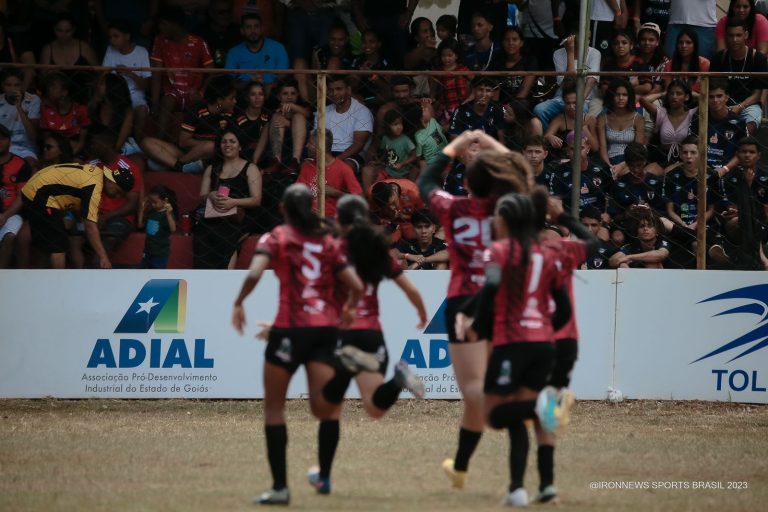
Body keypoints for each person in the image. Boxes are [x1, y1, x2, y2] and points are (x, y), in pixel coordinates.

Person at [231, 183, 363, 505]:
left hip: (289, 330)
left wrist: (239, 302)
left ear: (283, 210)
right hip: (324, 331)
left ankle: (280, 488)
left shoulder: (275, 237)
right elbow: (356, 285)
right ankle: (324, 476)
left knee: (274, 408)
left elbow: (255, 272)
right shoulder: (329, 241)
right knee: (325, 409)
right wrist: (347, 309)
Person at [417, 129, 532, 490]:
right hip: (503, 298)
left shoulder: (453, 208)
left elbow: (426, 180)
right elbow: (522, 170)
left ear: (466, 183)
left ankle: (534, 408)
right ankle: (463, 468)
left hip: (465, 301)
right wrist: (486, 141)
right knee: (480, 398)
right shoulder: (510, 207)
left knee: (473, 389)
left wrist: (457, 145)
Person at [457, 191, 570, 507]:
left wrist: (476, 326)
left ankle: (543, 406)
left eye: (496, 216)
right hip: (543, 345)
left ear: (505, 220)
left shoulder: (497, 251)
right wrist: (544, 328)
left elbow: (490, 289)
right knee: (517, 419)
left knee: (494, 415)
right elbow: (563, 309)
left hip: (512, 344)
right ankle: (518, 489)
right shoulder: (547, 255)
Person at [316, 195, 428, 479]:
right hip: (371, 335)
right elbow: (410, 289)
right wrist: (421, 313)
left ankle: (324, 478)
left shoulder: (333, 250)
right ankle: (398, 379)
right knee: (375, 408)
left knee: (330, 409)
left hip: (342, 334)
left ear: (340, 221)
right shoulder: (378, 250)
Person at [0, 160, 134, 269]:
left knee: (46, 243)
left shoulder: (96, 173)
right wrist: (104, 258)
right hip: (41, 195)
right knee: (60, 245)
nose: (117, 196)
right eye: (118, 191)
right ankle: (59, 285)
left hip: (37, 190)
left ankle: (44, 279)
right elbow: (90, 227)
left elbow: (73, 193)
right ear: (111, 182)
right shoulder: (94, 187)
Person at [68, 126, 143, 269]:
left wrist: (106, 217)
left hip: (119, 217)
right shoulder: (90, 165)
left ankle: (98, 269)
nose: (91, 146)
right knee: (73, 238)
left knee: (108, 238)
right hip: (93, 216)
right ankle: (80, 275)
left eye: (95, 143)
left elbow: (132, 203)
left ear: (107, 143)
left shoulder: (128, 167)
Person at [193, 129, 262, 269]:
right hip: (214, 215)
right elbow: (201, 198)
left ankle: (225, 275)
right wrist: (211, 195)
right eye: (224, 142)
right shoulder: (212, 169)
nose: (227, 144)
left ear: (240, 146)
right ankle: (204, 276)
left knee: (226, 234)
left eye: (232, 141)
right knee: (203, 231)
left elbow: (256, 200)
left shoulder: (250, 168)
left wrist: (233, 202)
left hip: (239, 217)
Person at [141, 76, 238, 173]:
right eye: (231, 99)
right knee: (147, 142)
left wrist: (209, 146)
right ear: (219, 100)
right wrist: (202, 146)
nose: (235, 101)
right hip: (186, 153)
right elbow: (183, 142)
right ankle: (181, 166)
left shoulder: (232, 115)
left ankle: (176, 164)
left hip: (212, 156)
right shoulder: (197, 110)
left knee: (212, 146)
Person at [149, 6, 214, 141]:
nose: (160, 27)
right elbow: (156, 75)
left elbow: (213, 73)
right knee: (167, 101)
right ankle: (159, 144)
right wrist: (154, 103)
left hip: (194, 93)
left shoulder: (199, 42)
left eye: (163, 24)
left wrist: (202, 92)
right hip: (173, 93)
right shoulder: (160, 40)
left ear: (175, 24)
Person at [711, 136, 768, 269]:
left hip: (762, 222)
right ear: (737, 154)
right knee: (739, 221)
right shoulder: (728, 178)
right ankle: (760, 257)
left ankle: (743, 258)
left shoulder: (766, 177)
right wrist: (747, 184)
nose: (747, 155)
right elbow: (733, 209)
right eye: (744, 151)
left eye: (751, 152)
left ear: (759, 156)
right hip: (739, 223)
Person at [710, 18, 768, 135]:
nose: (734, 40)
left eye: (738, 35)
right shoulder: (718, 58)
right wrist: (723, 106)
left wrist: (739, 107)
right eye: (731, 36)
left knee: (752, 119)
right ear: (726, 36)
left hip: (749, 104)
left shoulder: (758, 58)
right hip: (722, 102)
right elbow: (713, 88)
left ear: (745, 35)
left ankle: (742, 141)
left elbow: (757, 95)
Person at [296, 129, 363, 218]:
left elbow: (359, 200)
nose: (307, 146)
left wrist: (336, 193)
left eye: (311, 143)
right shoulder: (307, 166)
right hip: (308, 216)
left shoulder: (343, 169)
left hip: (332, 218)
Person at [101, 20, 151, 142]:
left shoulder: (141, 52)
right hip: (114, 94)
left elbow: (146, 85)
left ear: (127, 36)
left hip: (135, 95)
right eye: (110, 37)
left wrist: (130, 73)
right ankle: (110, 143)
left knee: (141, 111)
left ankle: (137, 143)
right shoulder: (110, 50)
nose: (112, 40)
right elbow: (103, 77)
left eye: (116, 36)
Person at [38, 14, 99, 104]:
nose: (63, 35)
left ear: (74, 30)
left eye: (67, 31)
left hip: (83, 99)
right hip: (56, 100)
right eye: (59, 30)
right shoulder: (47, 50)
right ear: (54, 29)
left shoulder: (84, 47)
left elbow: (99, 72)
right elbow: (42, 79)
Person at [690, 79, 747, 174]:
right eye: (711, 97)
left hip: (729, 169)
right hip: (701, 168)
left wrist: (725, 169)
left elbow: (743, 151)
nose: (715, 100)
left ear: (726, 97)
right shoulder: (698, 119)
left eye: (719, 96)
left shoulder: (739, 122)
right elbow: (691, 147)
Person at [225, 13, 289, 93]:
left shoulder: (278, 48)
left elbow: (283, 76)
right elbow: (231, 81)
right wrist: (250, 82)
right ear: (242, 31)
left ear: (262, 29)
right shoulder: (233, 52)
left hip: (273, 93)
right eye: (248, 27)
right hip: (243, 94)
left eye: (256, 26)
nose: (253, 31)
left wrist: (268, 87)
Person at [323, 75, 374, 175]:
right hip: (327, 153)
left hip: (351, 155)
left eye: (339, 89)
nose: (334, 93)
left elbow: (358, 145)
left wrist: (334, 161)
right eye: (331, 90)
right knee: (306, 165)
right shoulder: (324, 111)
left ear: (348, 90)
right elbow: (317, 139)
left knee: (345, 167)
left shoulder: (362, 112)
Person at [640, 79, 697, 167]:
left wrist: (691, 93)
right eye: (671, 93)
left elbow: (706, 100)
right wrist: (663, 93)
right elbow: (643, 100)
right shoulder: (662, 113)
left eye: (679, 94)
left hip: (686, 159)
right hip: (663, 157)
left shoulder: (692, 114)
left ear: (686, 97)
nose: (674, 97)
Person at [0, 124, 32, 268]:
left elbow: (22, 196)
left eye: (2, 138)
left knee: (9, 237)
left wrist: (4, 216)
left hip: (12, 214)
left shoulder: (21, 164)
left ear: (10, 141)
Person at [543, 80, 599, 161]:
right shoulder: (560, 119)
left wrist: (584, 129)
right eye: (568, 103)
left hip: (586, 159)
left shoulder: (590, 119)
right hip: (564, 158)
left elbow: (595, 148)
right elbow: (546, 136)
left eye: (575, 103)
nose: (571, 106)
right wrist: (550, 137)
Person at [362, 109, 417, 190]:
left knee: (398, 189)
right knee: (376, 186)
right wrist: (379, 161)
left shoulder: (405, 140)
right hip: (388, 170)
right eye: (395, 124)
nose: (399, 127)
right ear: (388, 126)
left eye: (400, 124)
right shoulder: (385, 138)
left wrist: (402, 164)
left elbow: (415, 155)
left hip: (402, 173)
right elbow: (386, 152)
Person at [39, 72, 90, 158]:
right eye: (49, 87)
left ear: (64, 92)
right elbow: (46, 139)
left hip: (75, 151)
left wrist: (68, 158)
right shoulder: (46, 110)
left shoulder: (80, 109)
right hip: (54, 152)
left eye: (53, 87)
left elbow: (81, 142)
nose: (49, 89)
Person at [597, 78, 646, 167]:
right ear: (611, 96)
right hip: (609, 161)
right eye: (617, 94)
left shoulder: (638, 119)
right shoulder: (603, 118)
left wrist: (622, 166)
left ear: (629, 97)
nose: (621, 98)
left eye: (624, 95)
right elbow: (602, 148)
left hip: (632, 163)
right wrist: (610, 166)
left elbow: (638, 149)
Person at [0, 68, 40, 168]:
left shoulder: (33, 100)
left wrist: (19, 107)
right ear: (3, 86)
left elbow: (33, 136)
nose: (12, 89)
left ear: (22, 85)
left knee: (30, 164)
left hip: (25, 147)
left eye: (16, 85)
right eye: (8, 85)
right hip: (3, 146)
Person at [448, 76, 506, 144]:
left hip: (490, 149)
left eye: (488, 90)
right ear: (474, 90)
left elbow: (502, 140)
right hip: (466, 148)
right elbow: (454, 139)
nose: (484, 94)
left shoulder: (497, 110)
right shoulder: (461, 110)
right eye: (480, 89)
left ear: (492, 93)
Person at [432, 38, 470, 129]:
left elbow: (474, 83)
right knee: (446, 131)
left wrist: (467, 101)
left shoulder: (463, 70)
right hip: (444, 109)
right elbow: (433, 92)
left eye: (450, 55)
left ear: (456, 56)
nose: (446, 59)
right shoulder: (438, 72)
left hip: (462, 108)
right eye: (443, 55)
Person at [137, 184, 177, 269]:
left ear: (165, 201)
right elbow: (140, 225)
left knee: (157, 272)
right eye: (151, 202)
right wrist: (142, 210)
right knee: (143, 271)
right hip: (148, 250)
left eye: (155, 202)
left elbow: (173, 229)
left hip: (160, 253)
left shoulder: (166, 214)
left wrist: (169, 214)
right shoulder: (151, 212)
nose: (152, 204)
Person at [663, 28, 711, 94]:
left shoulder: (705, 64)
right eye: (680, 42)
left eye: (688, 42)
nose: (684, 46)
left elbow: (706, 93)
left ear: (695, 45)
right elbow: (668, 90)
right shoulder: (669, 64)